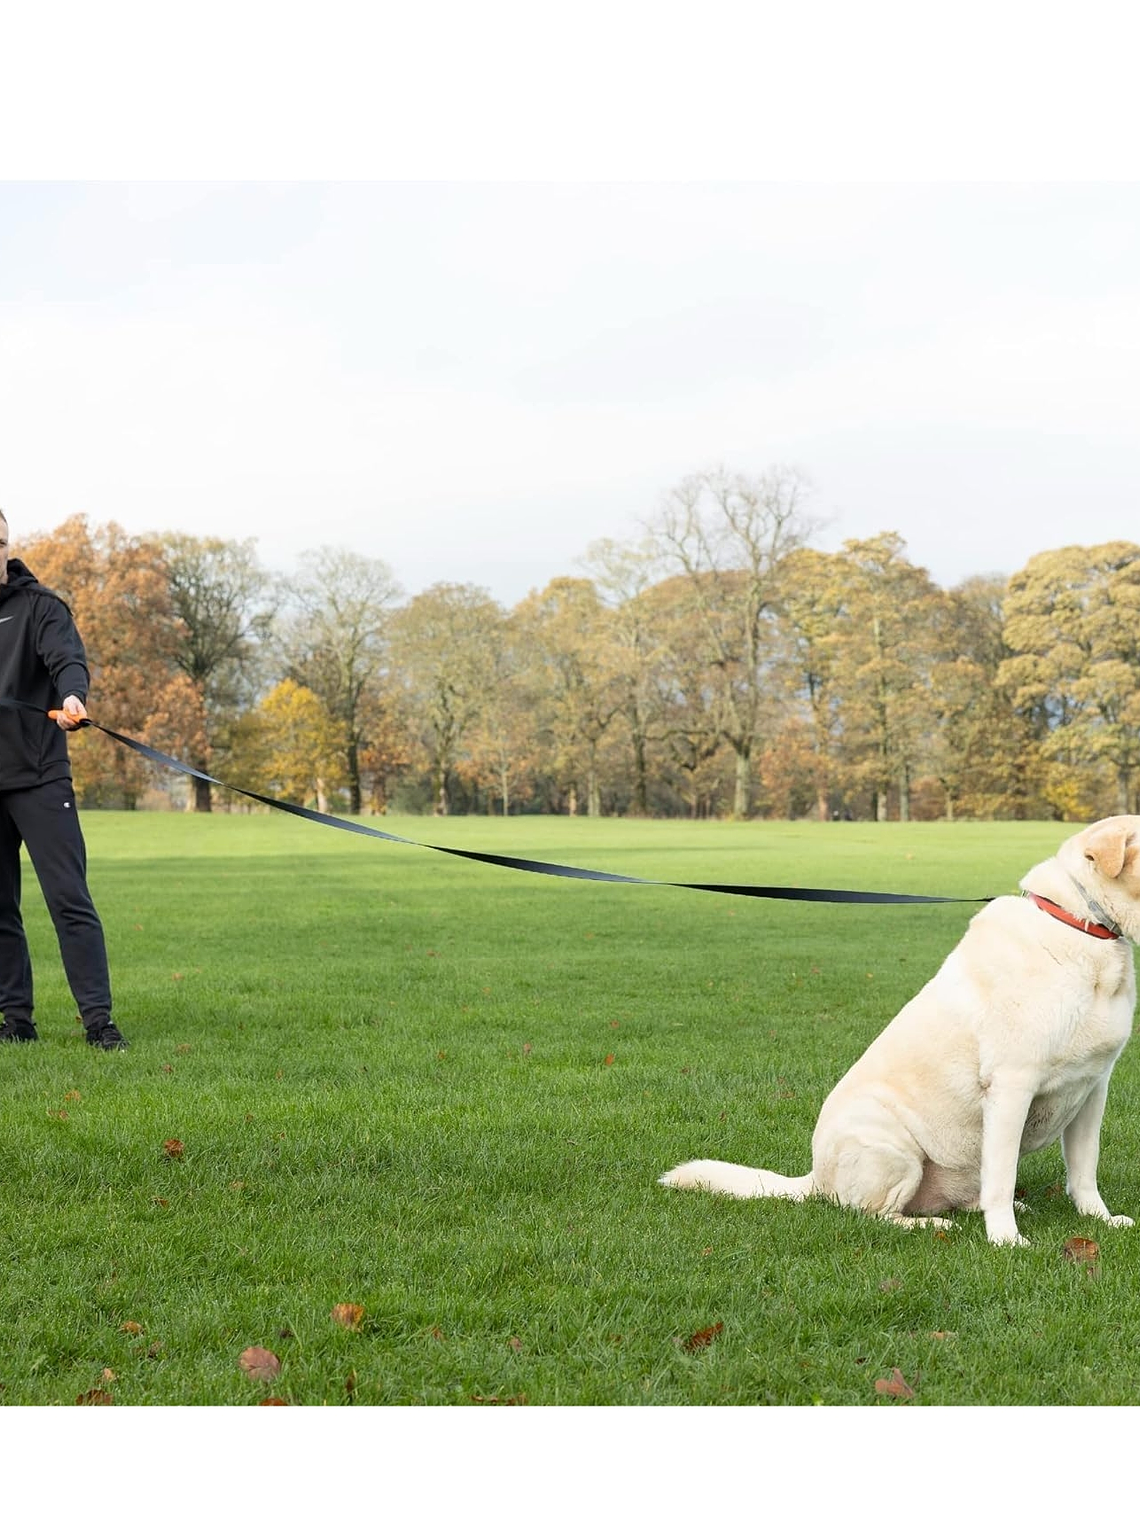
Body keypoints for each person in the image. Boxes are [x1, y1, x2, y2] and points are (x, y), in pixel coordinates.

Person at [0, 511, 126, 1049]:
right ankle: (16, 1021)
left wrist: (74, 698)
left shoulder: (40, 608)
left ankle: (99, 1022)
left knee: (68, 897)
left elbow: (68, 663)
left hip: (39, 776)